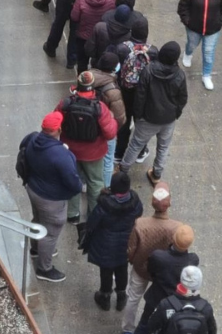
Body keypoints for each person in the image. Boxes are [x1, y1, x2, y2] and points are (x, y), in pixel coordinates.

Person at [20, 112, 82, 283]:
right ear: (59, 129)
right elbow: (74, 183)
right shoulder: (60, 155)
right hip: (51, 200)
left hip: (33, 189)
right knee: (50, 233)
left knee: (38, 219)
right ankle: (44, 268)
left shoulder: (32, 139)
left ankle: (35, 249)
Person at [119, 40, 188, 185]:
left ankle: (123, 170)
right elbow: (182, 98)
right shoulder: (179, 75)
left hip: (148, 118)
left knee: (135, 145)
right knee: (163, 147)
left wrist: (139, 116)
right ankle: (156, 174)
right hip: (168, 119)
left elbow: (140, 95)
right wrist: (176, 113)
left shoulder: (148, 71)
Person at [55, 70, 118, 221]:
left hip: (70, 152)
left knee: (72, 181)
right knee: (96, 183)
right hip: (94, 154)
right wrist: (113, 120)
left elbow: (54, 123)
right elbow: (110, 134)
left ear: (78, 85)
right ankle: (94, 214)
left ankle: (72, 214)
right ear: (92, 86)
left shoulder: (66, 103)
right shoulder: (100, 108)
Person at [122, 182, 181, 334]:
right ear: (169, 203)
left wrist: (133, 260)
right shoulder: (176, 228)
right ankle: (156, 328)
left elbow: (131, 249)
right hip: (162, 273)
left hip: (141, 267)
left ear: (151, 201)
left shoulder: (140, 224)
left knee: (133, 298)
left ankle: (128, 329)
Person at [81, 170, 142, 311]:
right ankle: (121, 297)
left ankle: (105, 297)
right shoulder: (135, 202)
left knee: (106, 270)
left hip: (105, 244)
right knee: (122, 268)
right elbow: (139, 214)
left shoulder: (104, 204)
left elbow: (92, 222)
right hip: (125, 243)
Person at [115, 17, 156, 163]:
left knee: (124, 123)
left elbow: (117, 70)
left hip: (125, 92)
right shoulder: (153, 51)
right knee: (141, 124)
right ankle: (140, 152)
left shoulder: (122, 48)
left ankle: (119, 153)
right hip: (143, 95)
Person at [89, 51, 126, 184]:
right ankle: (106, 186)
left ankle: (84, 183)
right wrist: (112, 130)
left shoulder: (87, 77)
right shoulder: (113, 91)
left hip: (88, 126)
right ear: (114, 68)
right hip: (105, 131)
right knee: (108, 160)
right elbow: (120, 118)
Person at [71, 0, 116, 73]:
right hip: (102, 38)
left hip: (84, 37)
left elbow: (74, 17)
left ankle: (82, 86)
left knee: (82, 63)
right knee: (100, 64)